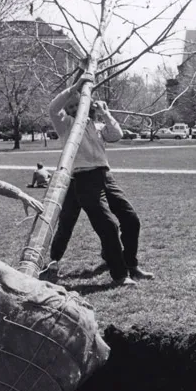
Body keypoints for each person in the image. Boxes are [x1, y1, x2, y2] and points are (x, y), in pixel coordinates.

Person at [45, 74, 153, 287]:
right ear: (67, 110)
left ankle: (131, 264)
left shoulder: (96, 125)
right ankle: (120, 274)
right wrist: (73, 88)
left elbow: (116, 135)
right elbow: (52, 109)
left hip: (105, 175)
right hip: (82, 178)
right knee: (106, 225)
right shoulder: (65, 125)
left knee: (131, 219)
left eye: (80, 104)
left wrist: (105, 112)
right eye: (72, 106)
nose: (76, 109)